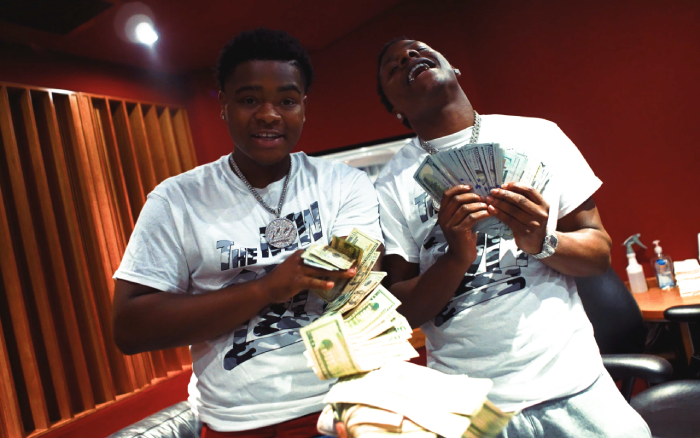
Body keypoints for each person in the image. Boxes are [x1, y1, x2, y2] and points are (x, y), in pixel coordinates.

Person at [112, 28, 382, 437]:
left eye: (287, 101)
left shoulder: (344, 183)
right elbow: (129, 328)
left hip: (347, 405)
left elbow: (364, 286)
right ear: (223, 105)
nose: (269, 115)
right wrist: (266, 289)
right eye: (250, 99)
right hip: (242, 421)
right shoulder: (176, 200)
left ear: (304, 107)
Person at [373, 38, 651, 437]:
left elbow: (598, 253)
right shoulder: (390, 184)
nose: (408, 57)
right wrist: (455, 257)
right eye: (393, 66)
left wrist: (542, 240)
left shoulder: (539, 136)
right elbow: (401, 312)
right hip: (472, 406)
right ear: (395, 109)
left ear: (454, 67)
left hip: (573, 383)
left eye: (418, 50)